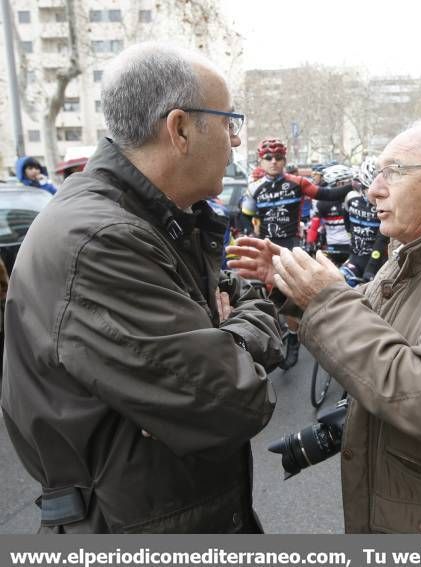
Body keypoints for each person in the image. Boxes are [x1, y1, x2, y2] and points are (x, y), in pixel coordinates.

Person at [1, 43, 283, 533]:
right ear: (179, 129)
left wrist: (223, 334)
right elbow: (229, 400)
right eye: (228, 123)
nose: (235, 142)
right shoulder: (104, 239)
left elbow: (231, 301)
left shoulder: (154, 219)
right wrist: (244, 328)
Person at [229, 119, 421, 533]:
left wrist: (326, 301)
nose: (374, 188)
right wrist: (293, 288)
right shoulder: (414, 253)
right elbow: (373, 328)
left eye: (393, 171)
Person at [241, 139, 351, 368]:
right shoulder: (254, 187)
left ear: (285, 160)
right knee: (267, 298)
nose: (274, 162)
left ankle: (293, 342)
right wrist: (250, 233)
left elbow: (327, 195)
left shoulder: (298, 182)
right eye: (268, 158)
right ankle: (272, 338)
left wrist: (356, 186)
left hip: (290, 247)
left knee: (288, 296)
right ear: (260, 160)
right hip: (265, 247)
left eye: (279, 158)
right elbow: (244, 215)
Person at [340, 157, 389, 285]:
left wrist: (371, 268)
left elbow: (381, 240)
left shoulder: (386, 206)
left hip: (377, 261)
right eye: (368, 189)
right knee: (338, 285)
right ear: (362, 186)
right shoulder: (351, 199)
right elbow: (347, 225)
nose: (373, 194)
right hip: (355, 258)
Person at [306, 164, 353, 265]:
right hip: (343, 248)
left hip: (335, 247)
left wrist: (309, 243)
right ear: (339, 183)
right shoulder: (354, 199)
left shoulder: (322, 202)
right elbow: (314, 226)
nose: (351, 184)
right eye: (348, 181)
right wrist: (310, 243)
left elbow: (314, 227)